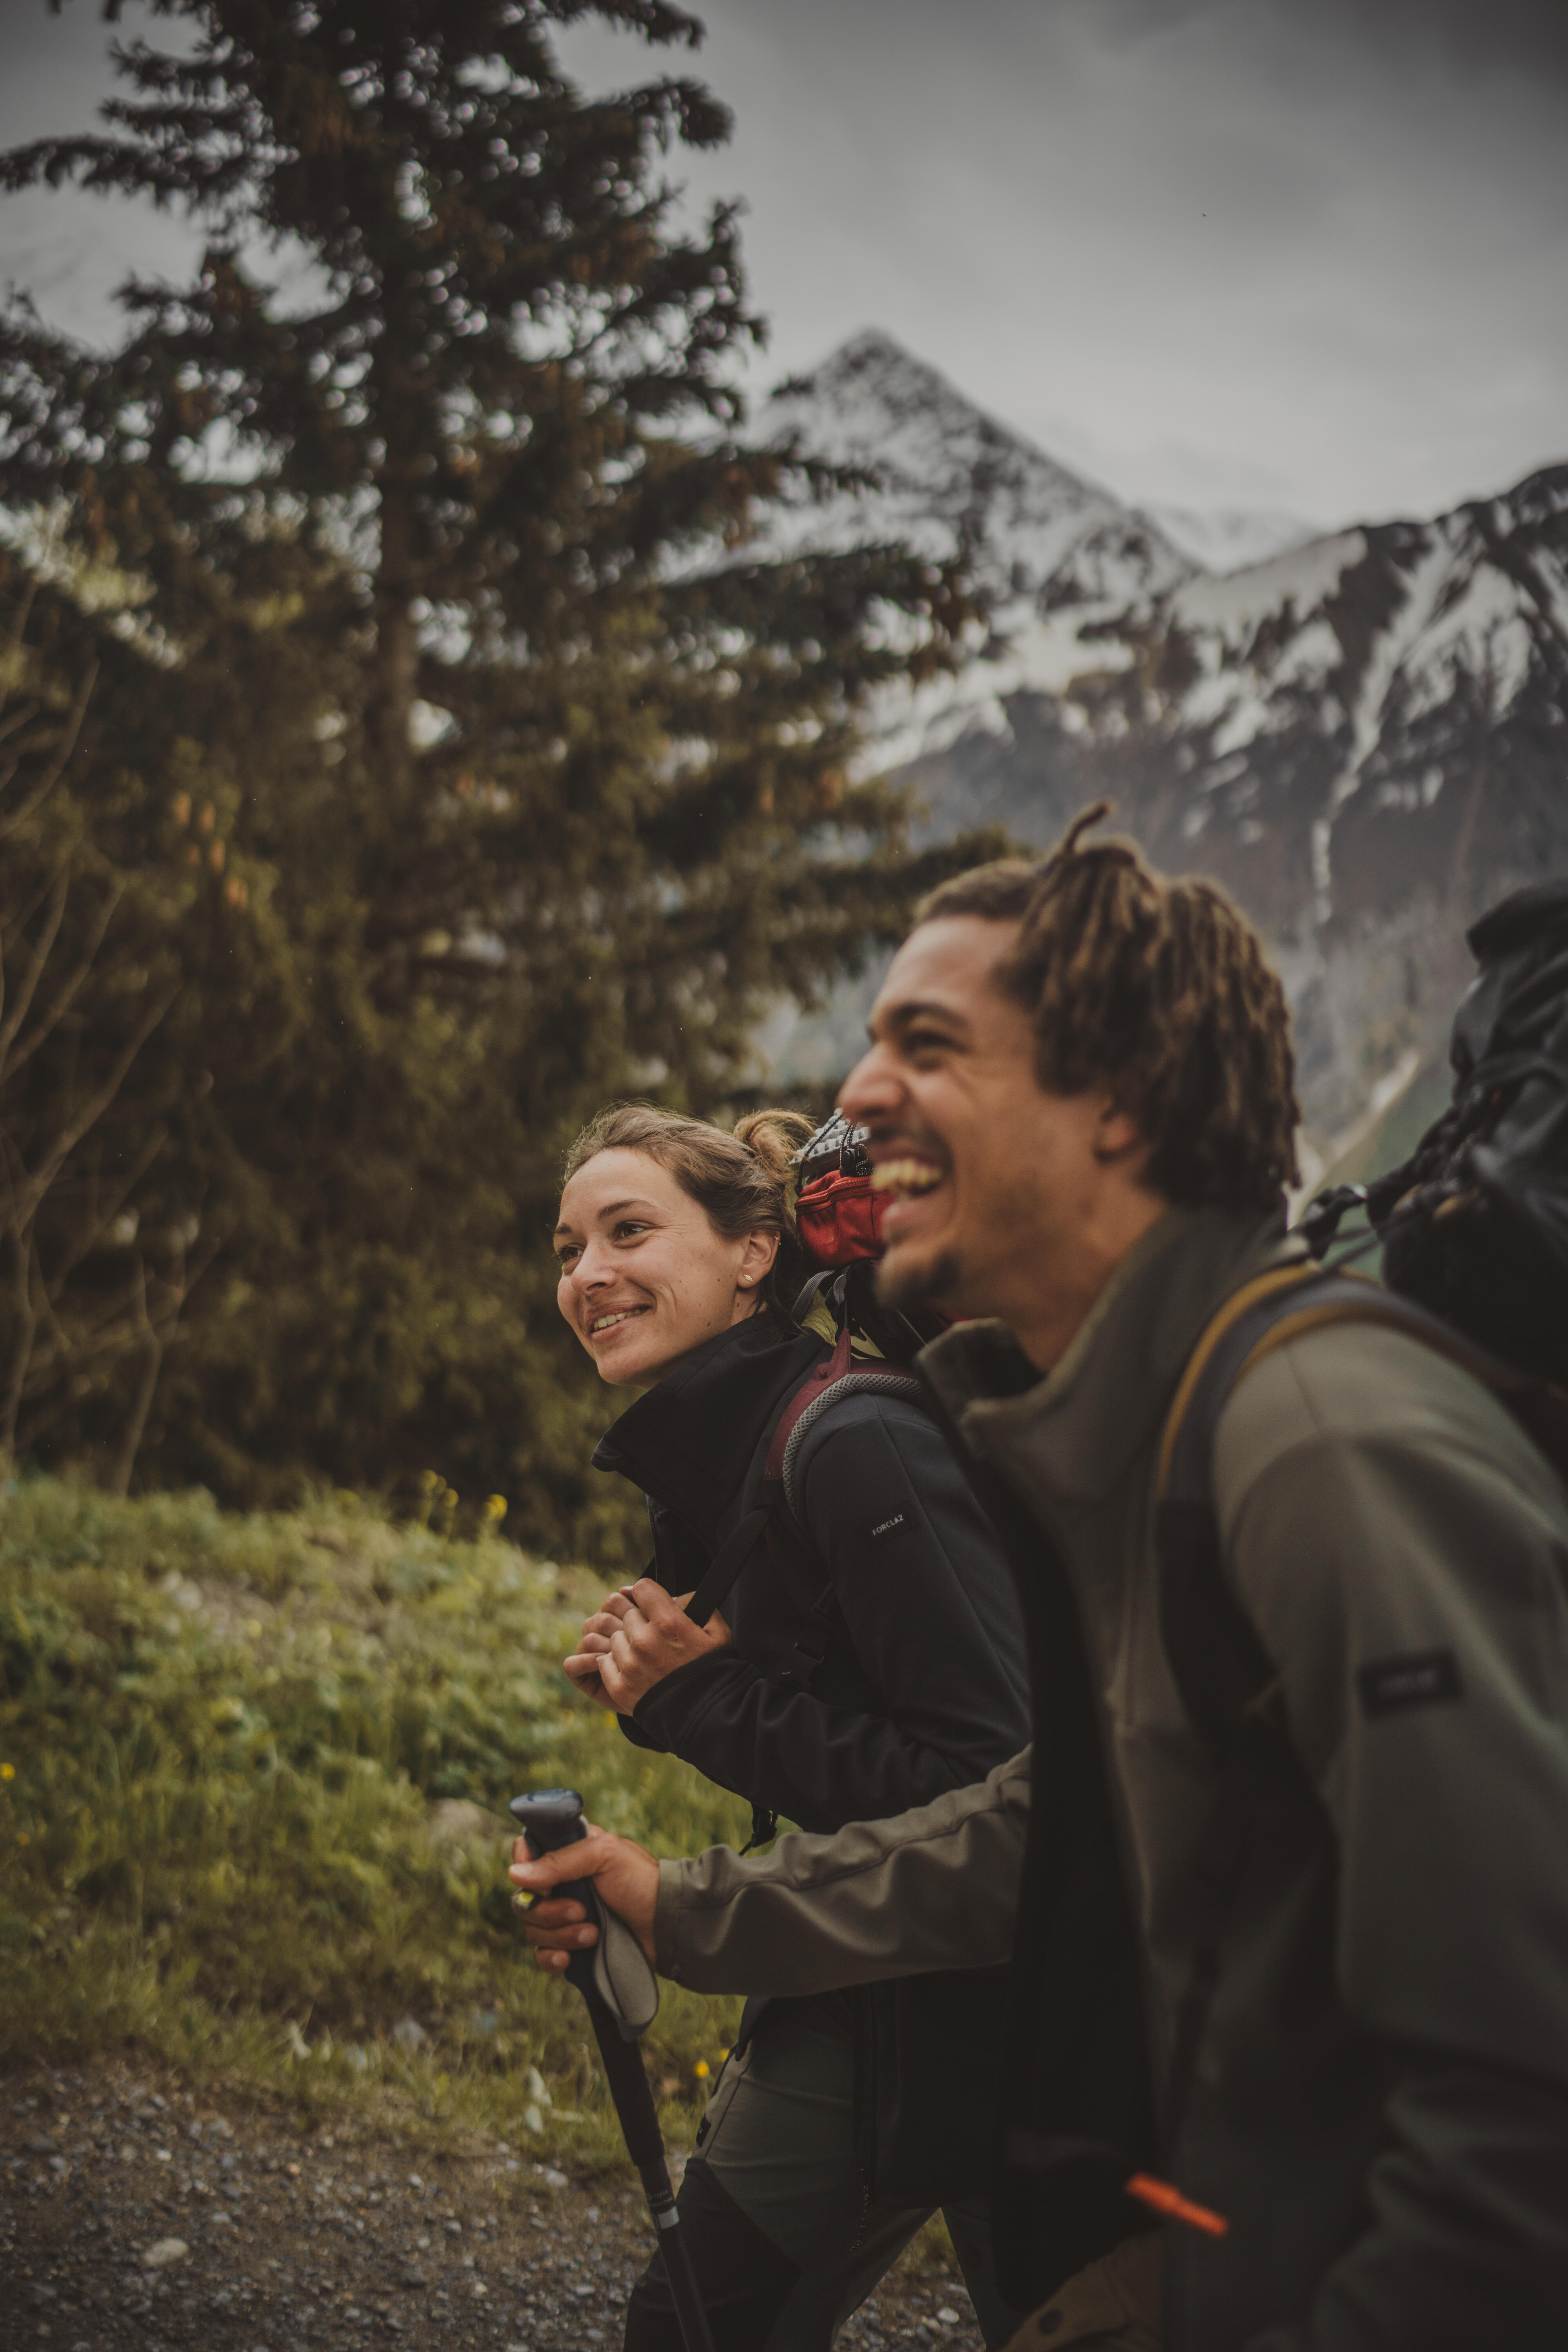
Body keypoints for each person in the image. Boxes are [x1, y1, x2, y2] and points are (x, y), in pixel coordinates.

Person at [516, 814, 1568, 2352]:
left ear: (1118, 1108)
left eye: (928, 1047)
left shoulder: (1306, 1446)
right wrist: (686, 1905)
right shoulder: (1144, 1444)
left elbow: (1519, 2108)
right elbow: (1048, 1827)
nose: (854, 1105)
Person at [549, 1102, 1030, 2350]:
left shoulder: (853, 1441)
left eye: (629, 1230)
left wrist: (698, 1703)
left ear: (754, 1250)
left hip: (1030, 2008)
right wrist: (693, 1698)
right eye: (567, 1250)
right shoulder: (735, 1460)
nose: (588, 1275)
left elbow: (999, 1786)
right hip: (868, 1978)